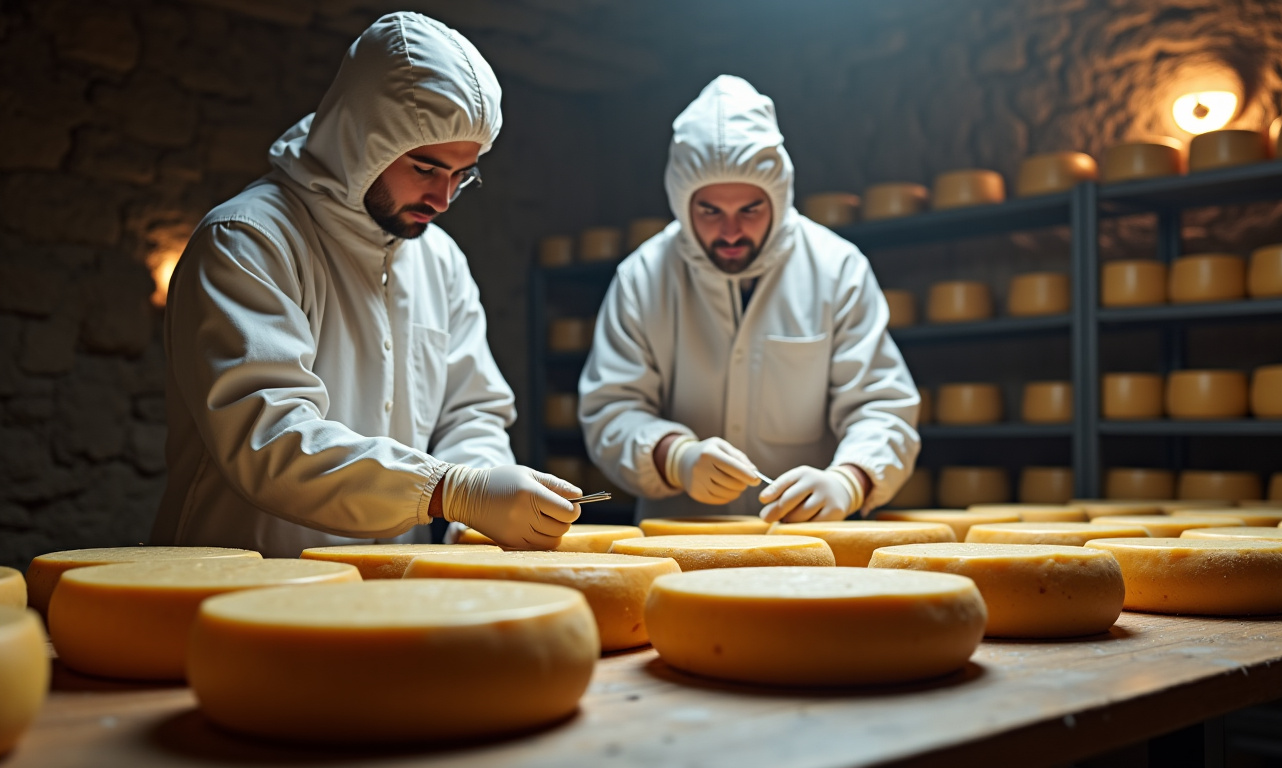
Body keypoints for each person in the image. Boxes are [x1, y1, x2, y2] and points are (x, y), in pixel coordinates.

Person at [151, 13, 582, 557]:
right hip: (249, 586)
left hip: (389, 591)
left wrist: (472, 511)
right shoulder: (249, 239)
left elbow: (470, 411)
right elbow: (268, 438)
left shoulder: (440, 260)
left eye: (461, 174)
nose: (443, 199)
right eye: (425, 169)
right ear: (361, 141)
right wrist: (450, 491)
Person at [579, 75, 920, 524]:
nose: (731, 233)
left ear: (778, 198)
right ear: (683, 204)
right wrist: (673, 456)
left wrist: (849, 479)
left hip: (803, 541)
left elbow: (881, 405)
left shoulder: (837, 270)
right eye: (710, 211)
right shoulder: (644, 277)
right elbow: (611, 409)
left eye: (750, 210)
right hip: (681, 543)